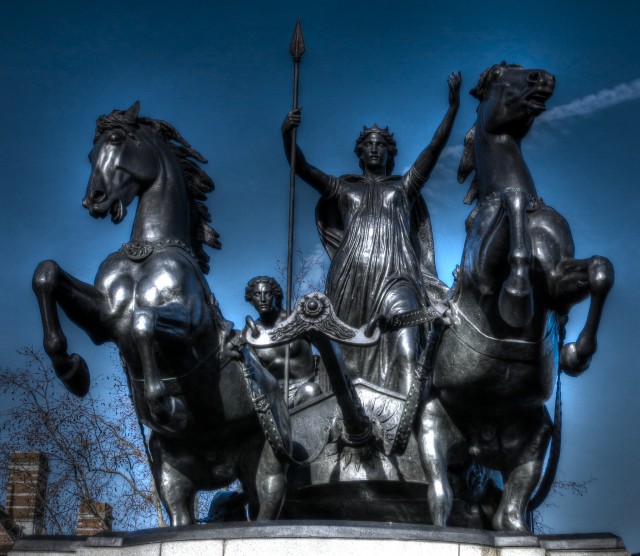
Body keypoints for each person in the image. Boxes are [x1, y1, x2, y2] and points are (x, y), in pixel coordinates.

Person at [281, 73, 461, 396]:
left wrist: (453, 108)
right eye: (369, 145)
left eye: (381, 145)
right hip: (350, 282)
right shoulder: (343, 188)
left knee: (407, 350)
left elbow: (434, 149)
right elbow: (302, 168)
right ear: (360, 153)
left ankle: (409, 432)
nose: (375, 149)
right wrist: (287, 137)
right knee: (347, 365)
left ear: (389, 152)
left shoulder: (404, 187)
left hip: (397, 277)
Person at [243, 276, 322, 406]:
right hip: (277, 400)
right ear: (251, 300)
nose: (262, 299)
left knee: (310, 390)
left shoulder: (297, 319)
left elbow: (325, 347)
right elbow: (254, 374)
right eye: (257, 295)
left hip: (308, 386)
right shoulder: (250, 334)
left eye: (267, 294)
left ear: (276, 296)